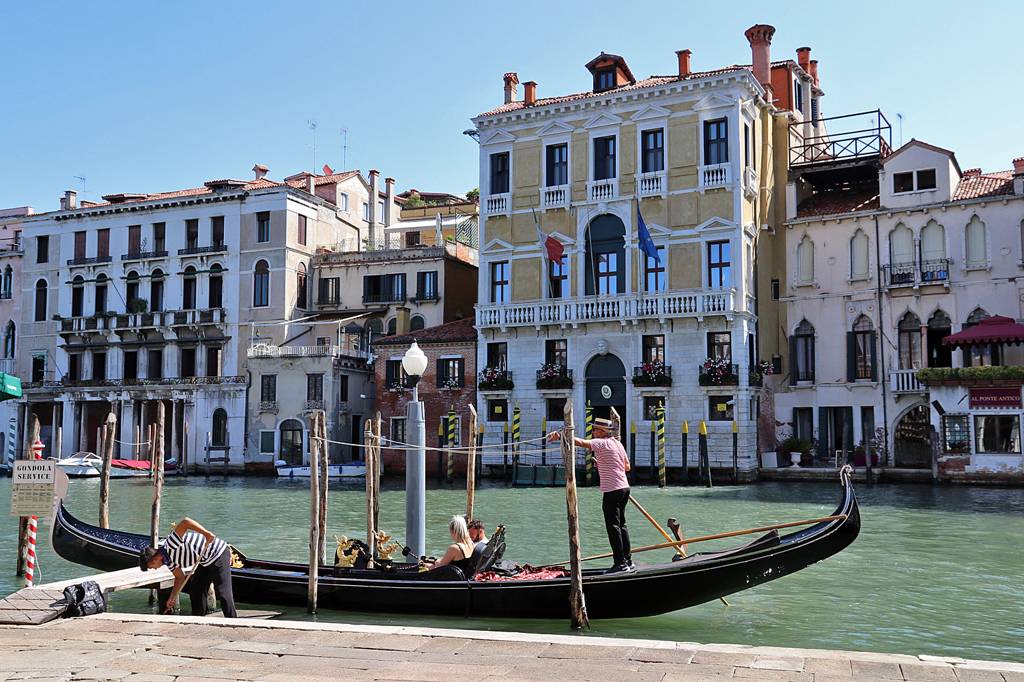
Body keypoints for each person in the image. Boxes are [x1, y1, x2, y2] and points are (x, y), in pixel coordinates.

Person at [549, 416, 634, 573]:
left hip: (612, 490)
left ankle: (620, 563)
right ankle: (628, 561)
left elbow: (581, 443)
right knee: (621, 525)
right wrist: (604, 463)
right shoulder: (617, 443)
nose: (593, 432)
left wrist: (560, 435)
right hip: (624, 488)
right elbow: (626, 467)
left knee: (613, 527)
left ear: (602, 431)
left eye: (594, 429)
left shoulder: (601, 443)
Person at [139, 517, 237, 618]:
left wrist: (206, 533)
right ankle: (198, 620)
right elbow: (180, 577)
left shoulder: (171, 544)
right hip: (204, 561)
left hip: (218, 553)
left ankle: (233, 621)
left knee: (223, 592)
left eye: (152, 567)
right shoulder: (168, 561)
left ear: (154, 560)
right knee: (196, 591)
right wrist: (172, 597)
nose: (155, 569)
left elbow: (185, 522)